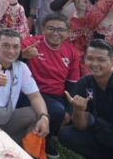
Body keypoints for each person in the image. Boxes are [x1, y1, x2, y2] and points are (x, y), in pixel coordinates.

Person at [0, 29, 51, 143]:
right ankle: (2, 142)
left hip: (5, 118)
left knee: (37, 114)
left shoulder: (21, 67)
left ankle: (25, 150)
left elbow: (35, 96)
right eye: (6, 45)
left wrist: (44, 117)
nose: (11, 51)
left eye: (16, 47)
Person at [21, 13, 81, 158]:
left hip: (56, 95)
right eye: (51, 28)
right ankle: (38, 142)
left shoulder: (71, 52)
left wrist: (69, 110)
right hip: (30, 91)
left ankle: (46, 139)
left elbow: (72, 84)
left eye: (60, 30)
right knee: (55, 111)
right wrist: (22, 55)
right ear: (43, 28)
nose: (55, 33)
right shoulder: (31, 43)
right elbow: (9, 58)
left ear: (67, 33)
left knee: (62, 112)